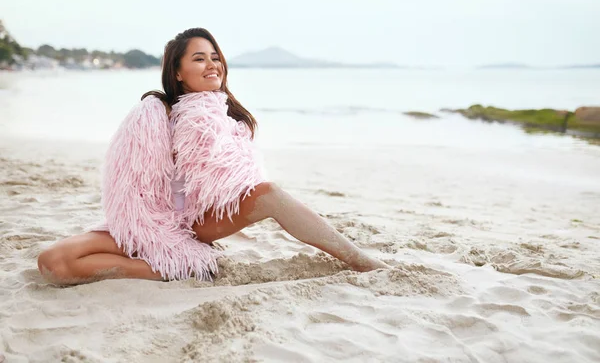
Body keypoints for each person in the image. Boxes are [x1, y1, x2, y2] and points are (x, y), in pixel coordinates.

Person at [37, 28, 389, 285]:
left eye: (215, 57)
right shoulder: (156, 112)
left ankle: (360, 260)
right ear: (177, 71)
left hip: (195, 224)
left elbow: (229, 186)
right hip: (149, 224)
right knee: (53, 262)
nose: (212, 65)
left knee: (271, 194)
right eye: (199, 58)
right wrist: (149, 235)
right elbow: (133, 183)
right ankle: (173, 267)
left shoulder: (225, 119)